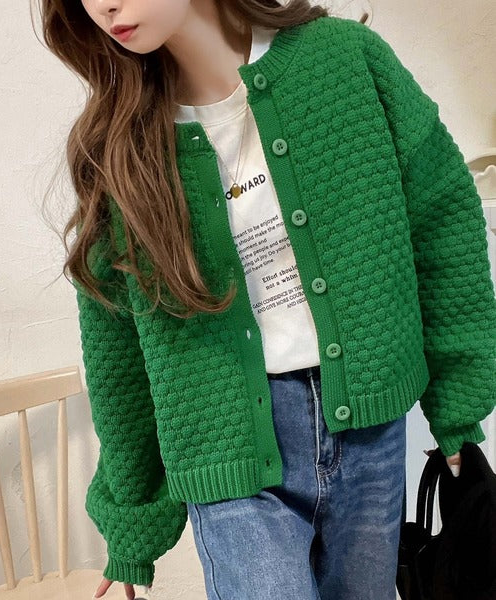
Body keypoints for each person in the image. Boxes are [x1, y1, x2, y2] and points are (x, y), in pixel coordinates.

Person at [40, 1, 495, 599]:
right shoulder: (119, 147)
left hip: (370, 432)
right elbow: (116, 349)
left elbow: (441, 221)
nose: (103, 5)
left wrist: (457, 409)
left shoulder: (344, 62)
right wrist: (132, 517)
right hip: (229, 446)